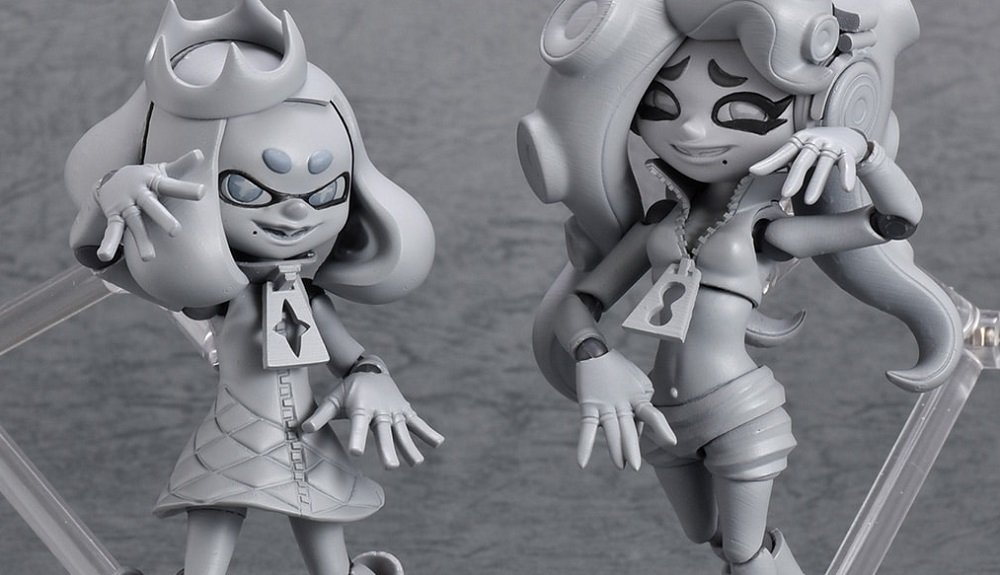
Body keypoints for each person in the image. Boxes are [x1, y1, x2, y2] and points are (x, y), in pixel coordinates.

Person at [520, 1, 963, 573]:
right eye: (660, 105)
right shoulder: (659, 224)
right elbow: (582, 303)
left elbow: (894, 222)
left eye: (744, 110)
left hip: (737, 409)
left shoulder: (766, 229)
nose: (690, 129)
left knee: (743, 552)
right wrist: (594, 356)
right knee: (704, 535)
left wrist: (863, 149)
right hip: (661, 412)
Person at [65, 2, 441, 574]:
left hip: (306, 433)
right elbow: (107, 257)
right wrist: (110, 192)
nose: (295, 212)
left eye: (326, 192)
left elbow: (354, 358)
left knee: (320, 521)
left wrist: (372, 378)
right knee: (215, 514)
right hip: (234, 430)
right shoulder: (217, 294)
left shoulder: (308, 300)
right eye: (247, 189)